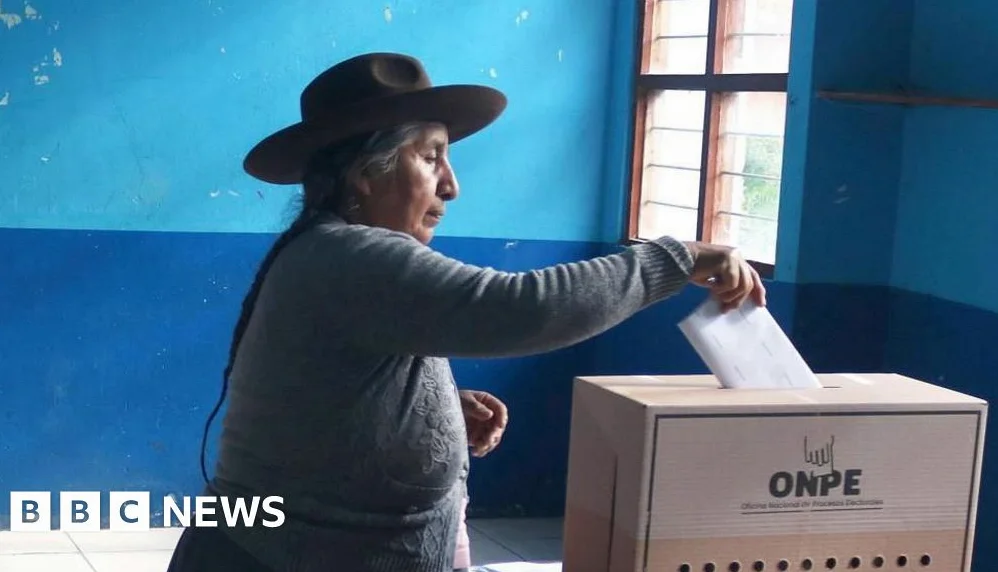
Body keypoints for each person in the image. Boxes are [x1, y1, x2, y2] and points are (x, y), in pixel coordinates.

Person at [166, 52, 765, 572]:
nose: (451, 186)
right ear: (364, 175)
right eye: (430, 158)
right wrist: (673, 259)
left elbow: (325, 391)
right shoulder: (349, 256)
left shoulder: (336, 253)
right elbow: (519, 308)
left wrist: (433, 410)